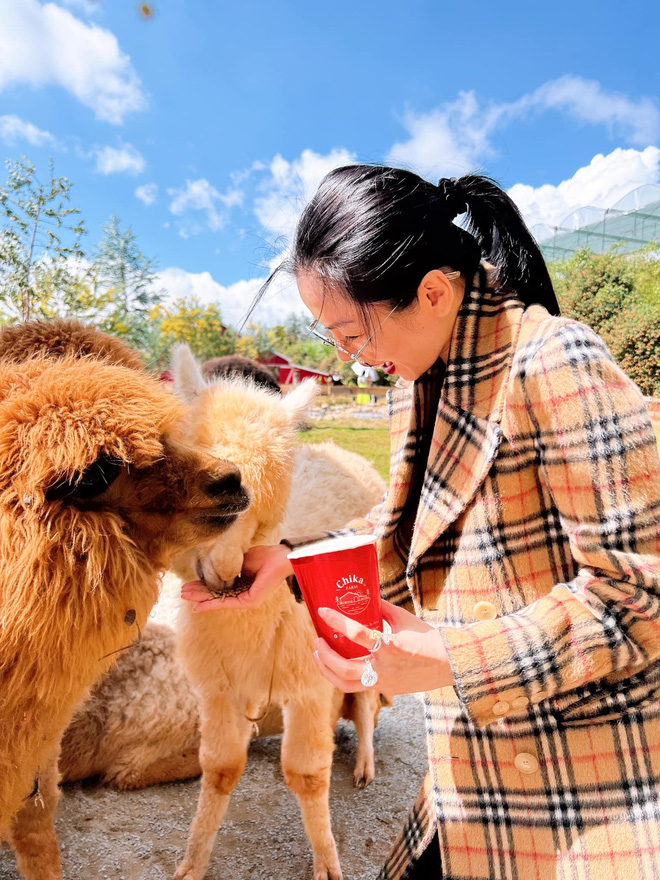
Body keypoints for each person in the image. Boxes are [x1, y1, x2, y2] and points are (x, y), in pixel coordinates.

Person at [182, 165, 660, 880]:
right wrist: (290, 562)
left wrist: (446, 659)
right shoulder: (425, 379)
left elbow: (641, 599)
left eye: (349, 332)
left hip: (576, 780)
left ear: (434, 291)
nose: (349, 357)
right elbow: (405, 526)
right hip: (476, 761)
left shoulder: (556, 362)